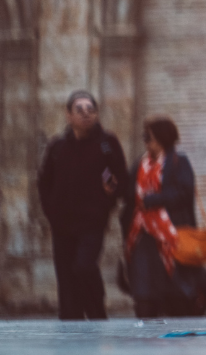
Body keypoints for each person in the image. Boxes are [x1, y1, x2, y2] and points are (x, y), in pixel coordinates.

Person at [37, 90, 131, 320]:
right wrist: (52, 214)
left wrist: (111, 194)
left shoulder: (107, 144)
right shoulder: (58, 146)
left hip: (92, 223)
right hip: (62, 226)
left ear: (97, 114)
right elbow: (43, 182)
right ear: (68, 115)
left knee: (83, 266)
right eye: (79, 110)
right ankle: (71, 322)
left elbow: (124, 182)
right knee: (67, 278)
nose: (86, 114)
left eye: (91, 110)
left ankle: (97, 313)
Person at [124, 116, 197, 318]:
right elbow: (129, 193)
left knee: (173, 288)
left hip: (170, 234)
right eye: (144, 137)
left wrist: (154, 199)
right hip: (142, 233)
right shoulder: (140, 164)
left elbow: (184, 192)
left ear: (162, 139)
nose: (145, 142)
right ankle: (145, 319)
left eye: (149, 137)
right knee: (143, 288)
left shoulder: (178, 162)